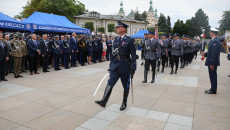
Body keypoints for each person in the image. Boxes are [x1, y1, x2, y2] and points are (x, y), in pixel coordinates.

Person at [95, 21, 136, 111]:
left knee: (126, 85)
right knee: (110, 82)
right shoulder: (116, 40)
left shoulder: (130, 40)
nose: (116, 29)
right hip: (115, 65)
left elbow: (133, 55)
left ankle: (124, 102)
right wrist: (111, 65)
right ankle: (103, 100)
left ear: (123, 29)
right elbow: (113, 54)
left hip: (125, 65)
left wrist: (133, 67)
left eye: (118, 27)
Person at [204, 28, 221, 94]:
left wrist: (212, 63)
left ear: (212, 33)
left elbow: (214, 54)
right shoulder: (213, 40)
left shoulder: (216, 41)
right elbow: (211, 52)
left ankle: (213, 90)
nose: (210, 33)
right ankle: (212, 88)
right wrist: (205, 54)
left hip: (212, 62)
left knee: (213, 76)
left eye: (211, 32)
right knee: (211, 75)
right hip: (211, 61)